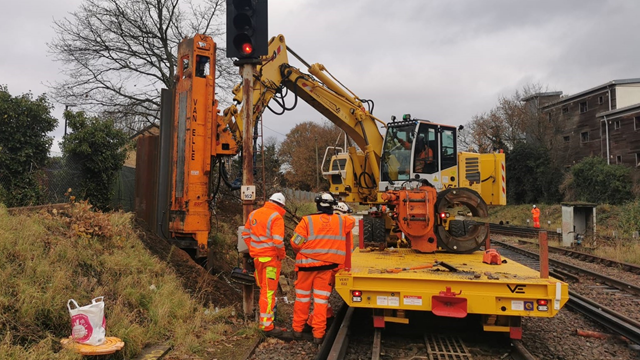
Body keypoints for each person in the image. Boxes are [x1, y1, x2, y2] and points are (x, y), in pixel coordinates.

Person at [291, 193, 355, 344]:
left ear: (318, 205)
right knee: (321, 301)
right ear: (333, 206)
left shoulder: (307, 221)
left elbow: (295, 242)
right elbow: (351, 220)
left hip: (305, 267)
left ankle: (298, 330)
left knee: (302, 298)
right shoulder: (342, 221)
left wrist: (303, 251)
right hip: (326, 268)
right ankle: (318, 335)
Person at [242, 193, 287, 336]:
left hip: (257, 260)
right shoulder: (276, 217)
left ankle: (265, 321)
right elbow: (278, 242)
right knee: (268, 292)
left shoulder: (254, 214)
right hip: (270, 261)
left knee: (263, 290)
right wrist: (282, 255)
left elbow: (245, 235)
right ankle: (267, 325)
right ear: (281, 206)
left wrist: (253, 249)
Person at [305, 201, 355, 328]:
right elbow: (351, 220)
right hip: (337, 265)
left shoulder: (331, 222)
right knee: (323, 297)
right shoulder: (344, 223)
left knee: (323, 297)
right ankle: (320, 319)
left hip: (327, 264)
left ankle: (320, 319)